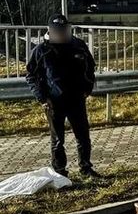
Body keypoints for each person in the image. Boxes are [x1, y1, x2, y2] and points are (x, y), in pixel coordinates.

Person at [25, 15, 97, 178]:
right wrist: (42, 98)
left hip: (77, 98)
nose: (62, 34)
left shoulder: (78, 46)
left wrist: (88, 88)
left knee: (83, 136)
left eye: (65, 30)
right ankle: (59, 172)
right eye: (59, 31)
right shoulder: (41, 50)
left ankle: (86, 168)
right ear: (50, 31)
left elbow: (90, 67)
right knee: (58, 140)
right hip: (53, 101)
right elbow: (31, 75)